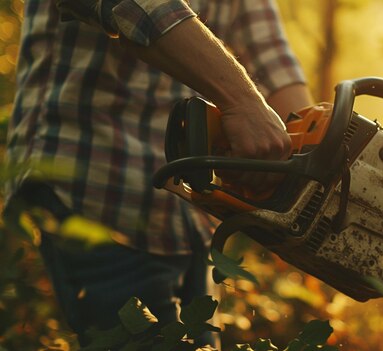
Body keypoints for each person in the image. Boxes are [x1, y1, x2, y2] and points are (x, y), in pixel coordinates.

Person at [5, 0, 312, 346]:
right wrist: (243, 101)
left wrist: (315, 153)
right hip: (97, 191)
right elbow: (136, 7)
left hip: (187, 216)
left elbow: (273, 61)